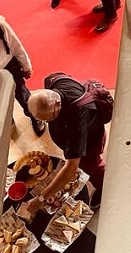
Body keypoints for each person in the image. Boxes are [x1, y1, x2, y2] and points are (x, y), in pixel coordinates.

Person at [27, 72, 112, 212]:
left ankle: (104, 186)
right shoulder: (53, 80)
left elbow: (71, 167)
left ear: (57, 103)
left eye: (50, 118)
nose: (48, 122)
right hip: (81, 131)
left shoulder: (77, 119)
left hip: (90, 142)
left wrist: (41, 198)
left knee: (93, 166)